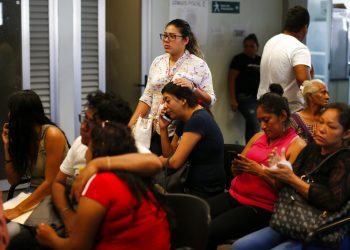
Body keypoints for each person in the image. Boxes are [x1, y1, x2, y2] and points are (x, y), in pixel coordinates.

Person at [232, 102, 350, 250]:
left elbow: (332, 200)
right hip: (290, 219)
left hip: (319, 228)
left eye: (331, 127)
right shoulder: (311, 149)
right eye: (320, 122)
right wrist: (278, 168)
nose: (321, 129)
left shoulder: (345, 160)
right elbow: (283, 187)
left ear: (346, 133)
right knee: (240, 246)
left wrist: (292, 179)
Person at [37, 122, 170, 250]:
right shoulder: (134, 175)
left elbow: (78, 247)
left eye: (88, 146)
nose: (84, 153)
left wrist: (51, 239)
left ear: (97, 149)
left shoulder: (100, 183)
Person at [205, 84, 306, 249]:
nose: (263, 126)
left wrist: (260, 171)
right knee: (196, 217)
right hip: (234, 195)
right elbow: (236, 170)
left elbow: (286, 191)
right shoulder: (258, 136)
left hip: (261, 206)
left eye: (267, 120)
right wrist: (236, 168)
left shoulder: (296, 146)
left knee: (210, 230)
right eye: (260, 121)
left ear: (282, 116)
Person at [52, 91, 162, 236]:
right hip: (80, 215)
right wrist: (67, 216)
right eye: (84, 119)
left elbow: (154, 162)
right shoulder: (79, 143)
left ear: (109, 129)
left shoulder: (127, 149)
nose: (83, 127)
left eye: (90, 123)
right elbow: (58, 183)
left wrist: (96, 164)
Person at [128, 19, 216, 155]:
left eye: (172, 36)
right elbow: (148, 96)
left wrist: (193, 89)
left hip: (181, 130)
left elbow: (210, 100)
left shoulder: (198, 65)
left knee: (172, 169)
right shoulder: (158, 61)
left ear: (186, 40)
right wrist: (132, 124)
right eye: (164, 36)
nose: (166, 40)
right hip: (155, 126)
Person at [1, 90, 69, 248]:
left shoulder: (52, 134)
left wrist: (17, 210)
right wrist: (7, 146)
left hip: (54, 196)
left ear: (22, 115)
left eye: (12, 111)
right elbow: (13, 180)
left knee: (9, 235)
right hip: (33, 194)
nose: (9, 115)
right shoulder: (25, 136)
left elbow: (51, 183)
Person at [158, 82, 225, 199]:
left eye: (167, 101)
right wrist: (163, 129)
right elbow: (169, 155)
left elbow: (174, 163)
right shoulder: (185, 120)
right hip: (190, 184)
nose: (165, 106)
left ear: (183, 100)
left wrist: (155, 160)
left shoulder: (197, 120)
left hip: (205, 189)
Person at [257, 5, 311, 113]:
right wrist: (312, 104)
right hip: (287, 111)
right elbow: (303, 81)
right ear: (305, 28)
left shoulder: (271, 41)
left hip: (264, 106)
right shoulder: (299, 48)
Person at [228, 33, 261, 143]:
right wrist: (233, 99)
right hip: (244, 98)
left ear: (257, 46)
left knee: (253, 124)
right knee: (255, 123)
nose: (248, 49)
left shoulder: (260, 60)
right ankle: (253, 149)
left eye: (251, 46)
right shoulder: (239, 59)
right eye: (246, 46)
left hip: (258, 98)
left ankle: (248, 150)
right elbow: (231, 79)